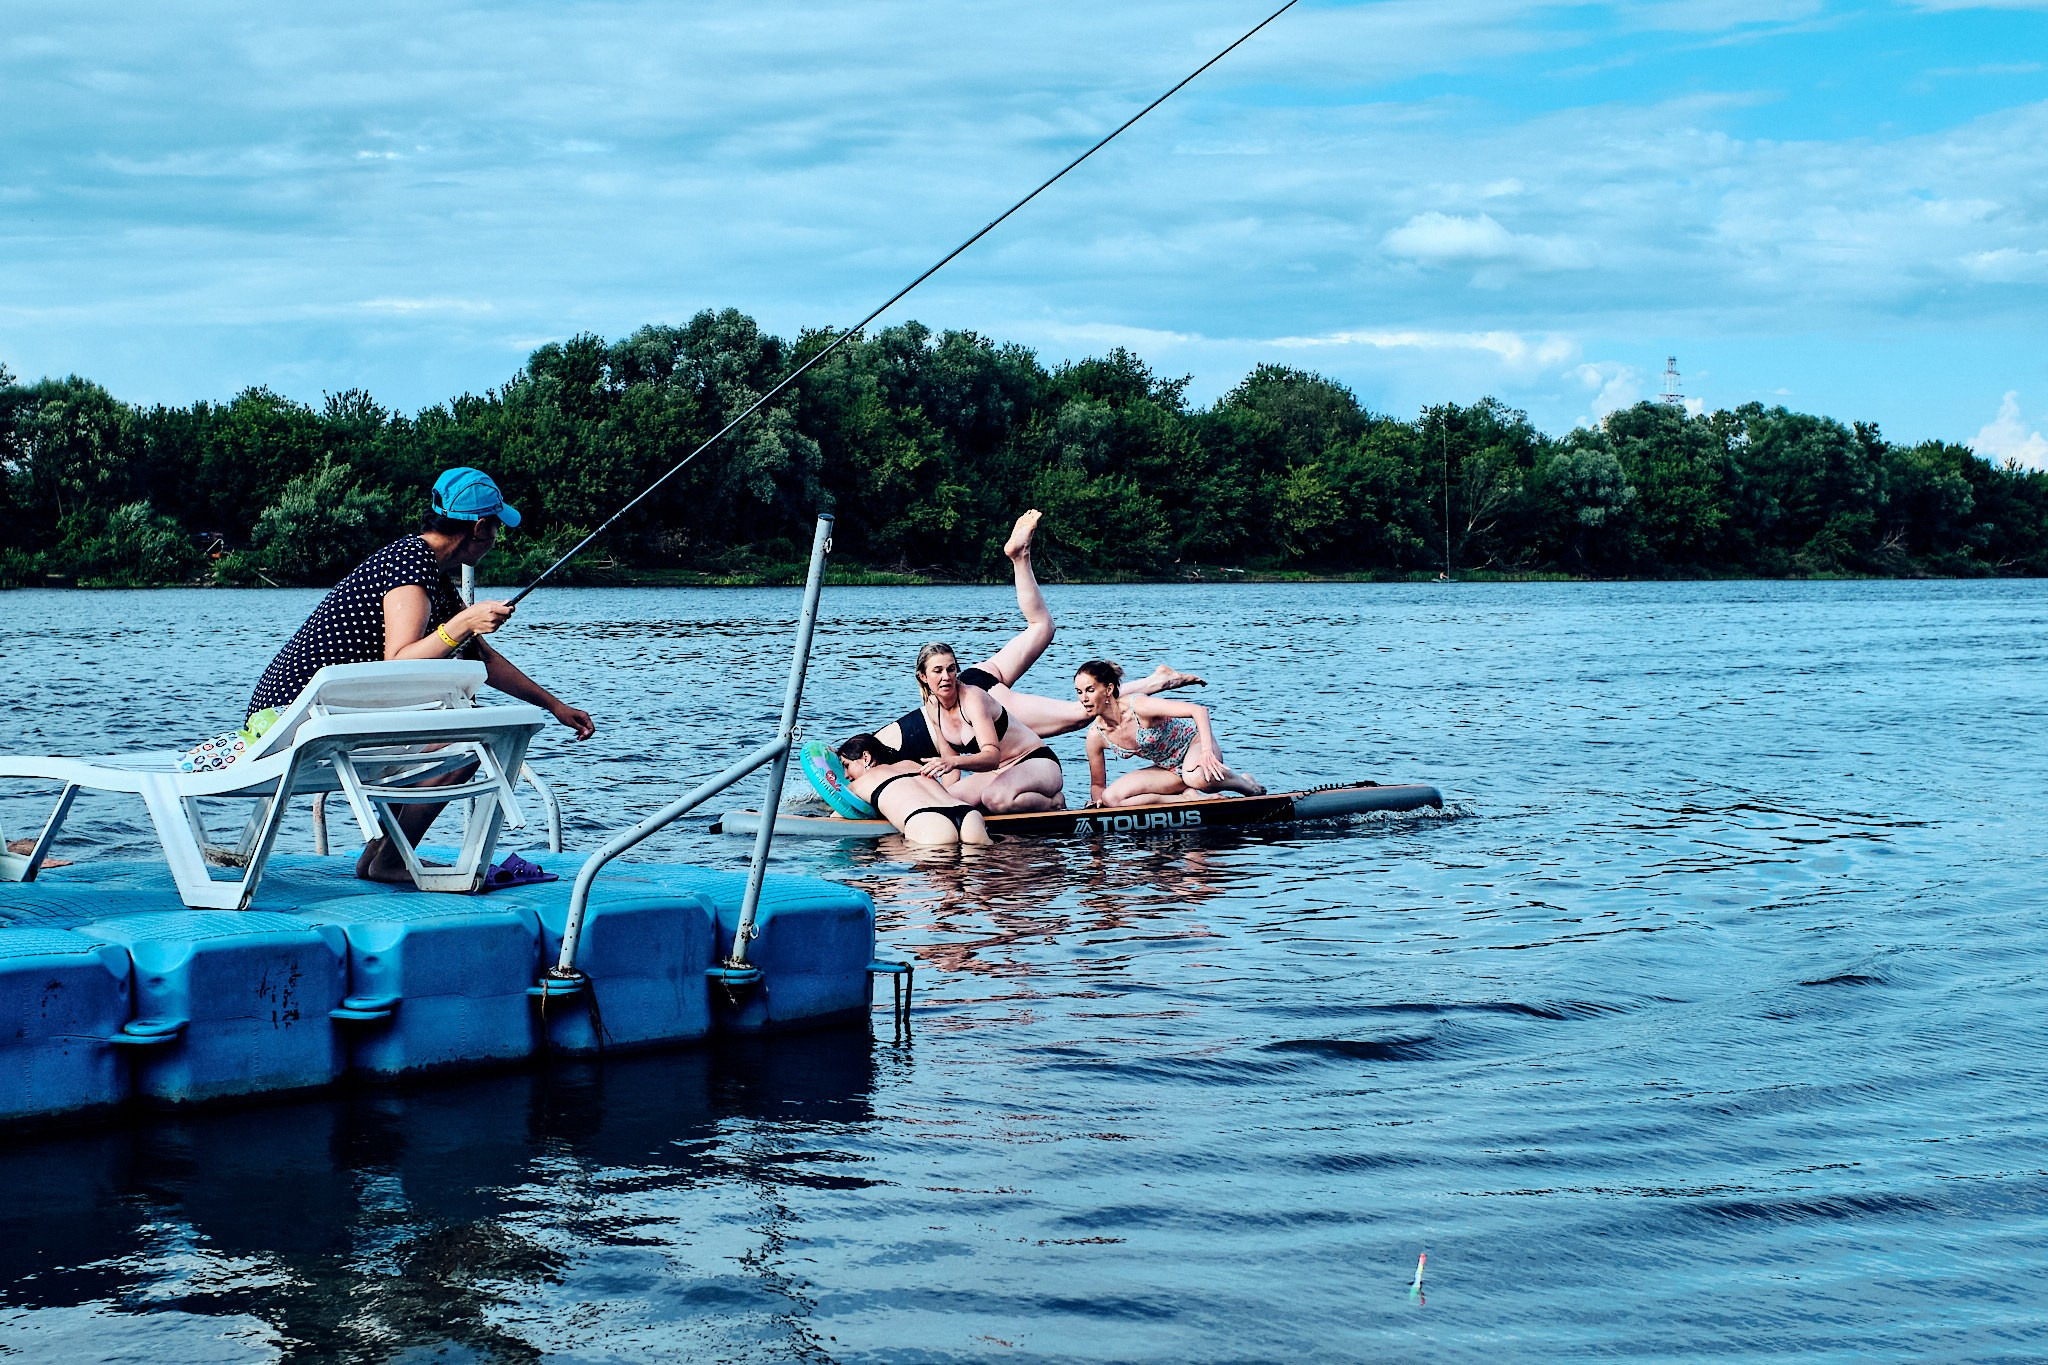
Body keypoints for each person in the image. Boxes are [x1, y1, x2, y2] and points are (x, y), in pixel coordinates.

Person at [246, 467, 595, 882]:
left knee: (457, 723)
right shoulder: (410, 564)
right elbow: (400, 660)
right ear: (480, 527)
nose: (497, 539)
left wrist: (554, 705)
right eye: (497, 527)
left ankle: (382, 856)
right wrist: (463, 622)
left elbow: (480, 659)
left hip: (308, 715)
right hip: (291, 720)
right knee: (468, 734)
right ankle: (391, 859)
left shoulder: (425, 569)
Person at [1074, 659, 1265, 807]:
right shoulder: (1096, 735)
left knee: (1195, 777)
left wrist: (1207, 752)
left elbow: (1198, 710)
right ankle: (1186, 799)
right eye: (1079, 692)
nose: (1084, 698)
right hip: (1167, 768)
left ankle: (1247, 784)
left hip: (1194, 744)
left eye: (1090, 690)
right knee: (1111, 798)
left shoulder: (1138, 706)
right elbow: (1098, 785)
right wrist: (1098, 805)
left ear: (1108, 689)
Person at [836, 735, 992, 846]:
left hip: (927, 821)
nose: (846, 775)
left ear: (866, 757)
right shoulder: (911, 764)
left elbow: (837, 814)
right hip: (967, 814)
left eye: (846, 765)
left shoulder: (861, 783)